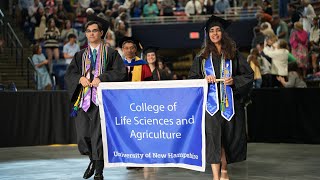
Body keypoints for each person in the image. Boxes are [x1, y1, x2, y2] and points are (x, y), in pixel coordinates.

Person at [188, 15, 253, 180]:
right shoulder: (202, 57)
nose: (215, 33)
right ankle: (216, 176)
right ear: (208, 34)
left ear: (223, 33)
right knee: (214, 139)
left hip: (230, 105)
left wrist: (234, 80)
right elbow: (192, 80)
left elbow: (248, 75)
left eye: (218, 30)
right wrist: (204, 80)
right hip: (210, 108)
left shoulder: (233, 54)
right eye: (211, 31)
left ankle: (224, 170)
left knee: (228, 139)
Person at [64, 19, 127, 180]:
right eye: (88, 31)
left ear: (101, 33)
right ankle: (93, 161)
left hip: (102, 101)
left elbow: (121, 73)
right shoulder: (80, 55)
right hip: (83, 101)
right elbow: (70, 74)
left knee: (98, 136)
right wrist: (80, 79)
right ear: (85, 34)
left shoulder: (111, 53)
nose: (91, 33)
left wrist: (103, 77)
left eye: (94, 30)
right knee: (83, 136)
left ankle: (99, 171)